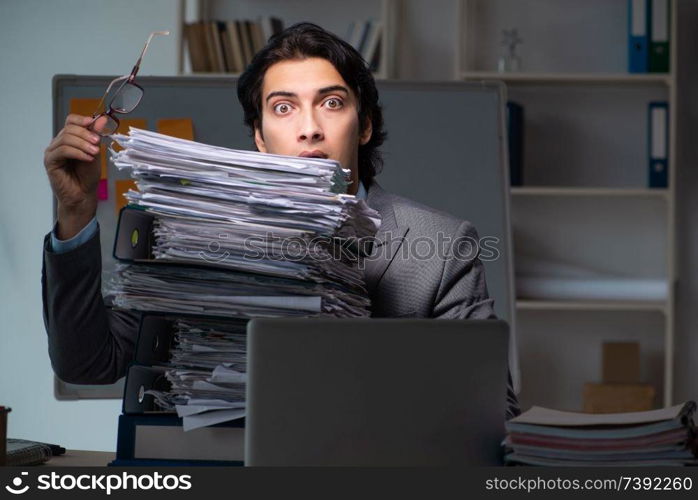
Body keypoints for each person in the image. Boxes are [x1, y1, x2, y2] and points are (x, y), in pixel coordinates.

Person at [42, 23, 519, 418]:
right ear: (261, 138)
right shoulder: (189, 233)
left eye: (332, 103)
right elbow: (87, 364)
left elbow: (495, 408)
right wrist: (75, 213)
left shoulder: (440, 244)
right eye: (283, 107)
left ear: (366, 123)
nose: (309, 127)